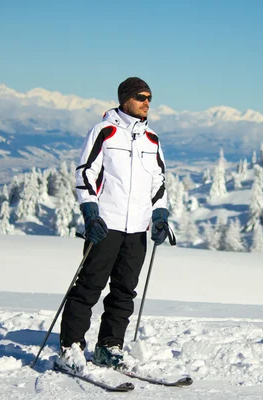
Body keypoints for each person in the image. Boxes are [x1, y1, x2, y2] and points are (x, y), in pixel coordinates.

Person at [55, 77, 171, 374]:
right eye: (141, 97)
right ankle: (71, 348)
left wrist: (159, 217)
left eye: (150, 98)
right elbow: (85, 174)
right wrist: (91, 214)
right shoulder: (104, 131)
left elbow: (159, 183)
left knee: (124, 291)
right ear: (125, 98)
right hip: (106, 225)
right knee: (89, 287)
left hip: (137, 231)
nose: (147, 102)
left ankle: (109, 346)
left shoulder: (152, 139)